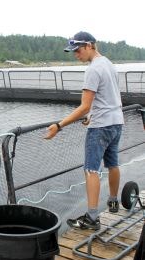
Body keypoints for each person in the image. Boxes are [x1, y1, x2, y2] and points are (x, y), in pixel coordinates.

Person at [45, 31, 124, 230]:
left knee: (91, 170)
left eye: (78, 50)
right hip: (117, 122)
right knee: (113, 164)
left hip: (101, 127)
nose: (76, 55)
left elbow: (84, 106)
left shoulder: (92, 70)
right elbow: (107, 96)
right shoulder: (108, 63)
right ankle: (113, 202)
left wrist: (58, 126)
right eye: (73, 52)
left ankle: (91, 218)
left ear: (89, 45)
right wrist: (92, 114)